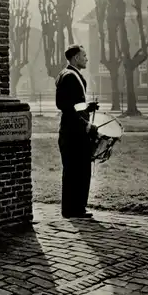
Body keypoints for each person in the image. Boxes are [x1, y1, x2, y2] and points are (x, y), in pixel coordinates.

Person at [55, 44, 99, 219]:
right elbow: (65, 106)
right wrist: (85, 123)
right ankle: (74, 209)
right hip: (74, 133)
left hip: (72, 131)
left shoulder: (69, 75)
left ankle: (73, 209)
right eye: (84, 55)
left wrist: (88, 108)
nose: (87, 59)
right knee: (78, 171)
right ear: (75, 58)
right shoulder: (70, 77)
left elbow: (73, 105)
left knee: (75, 170)